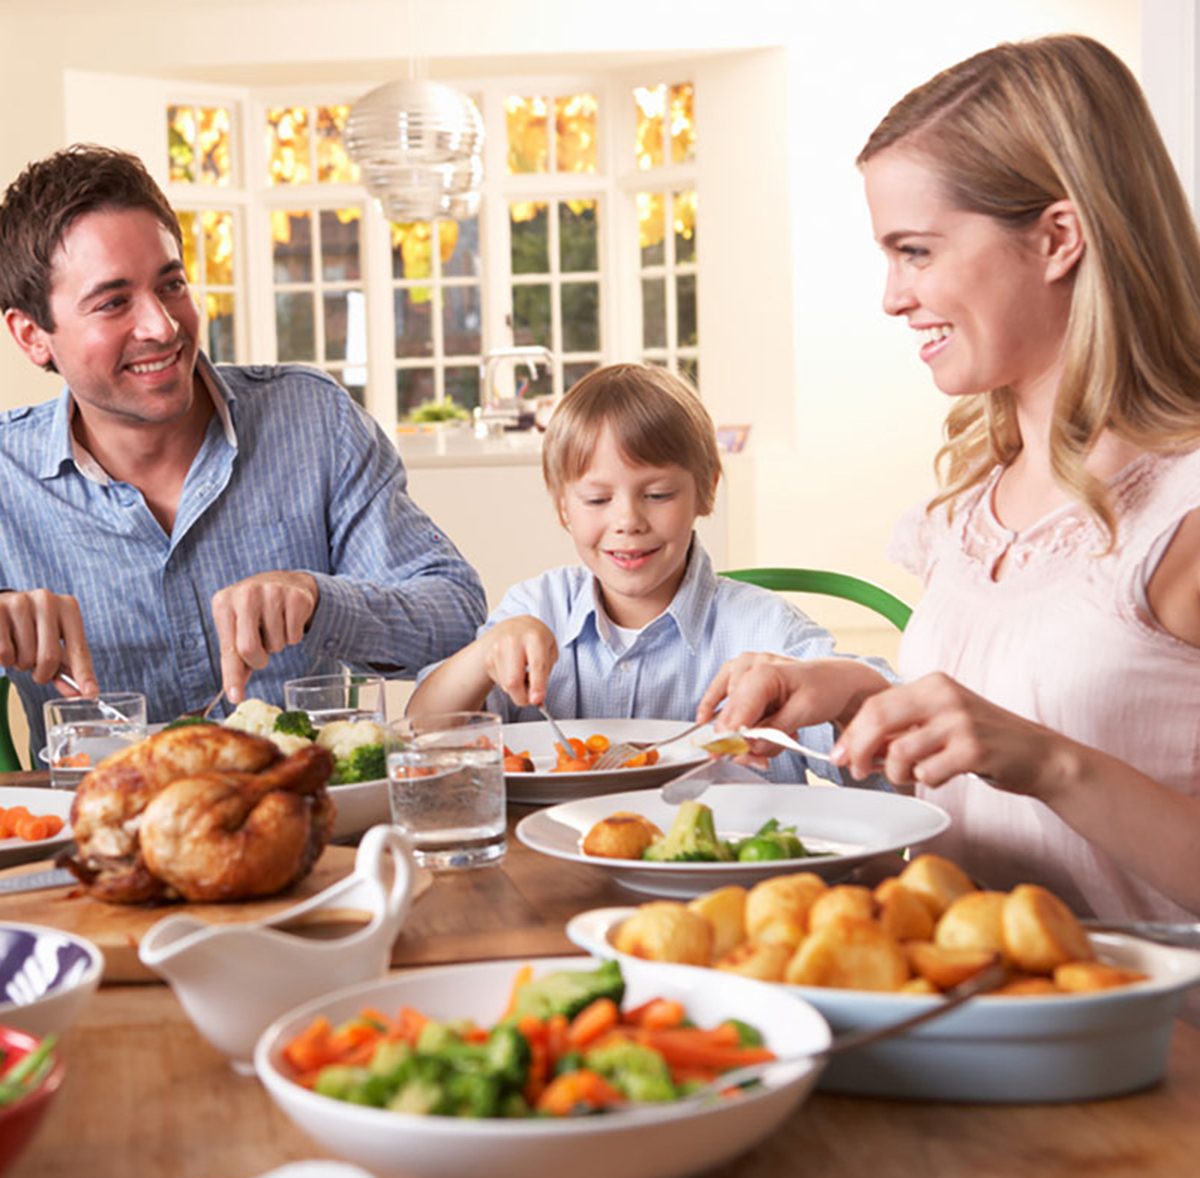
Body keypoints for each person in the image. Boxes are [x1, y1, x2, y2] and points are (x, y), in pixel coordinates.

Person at [700, 34, 1200, 920]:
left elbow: (1046, 748)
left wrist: (1051, 765)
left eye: (917, 251)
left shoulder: (1182, 512)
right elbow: (1015, 731)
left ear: (1056, 238)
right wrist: (865, 696)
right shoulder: (975, 502)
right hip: (976, 1012)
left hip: (1157, 1045)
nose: (892, 296)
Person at [0, 144, 487, 752]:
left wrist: (319, 600)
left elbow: (458, 614)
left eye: (171, 284)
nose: (162, 326)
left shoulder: (311, 418)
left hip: (306, 824)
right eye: (114, 302)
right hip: (103, 830)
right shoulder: (5, 474)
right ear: (31, 335)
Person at [408, 362, 893, 784]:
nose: (628, 521)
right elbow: (420, 735)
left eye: (658, 495)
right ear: (563, 509)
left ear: (705, 492)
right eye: (598, 500)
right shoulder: (536, 609)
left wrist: (835, 687)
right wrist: (484, 655)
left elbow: (887, 766)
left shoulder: (766, 630)